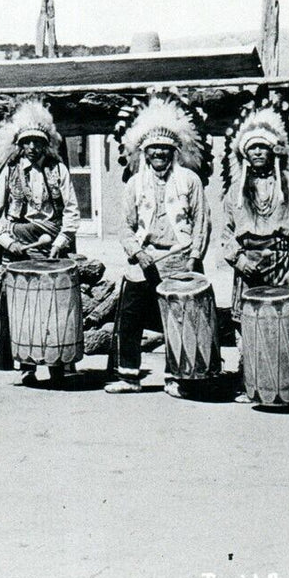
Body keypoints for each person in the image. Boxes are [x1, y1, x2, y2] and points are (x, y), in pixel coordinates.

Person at [106, 94, 212, 394]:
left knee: (178, 320)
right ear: (145, 153)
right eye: (153, 150)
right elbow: (125, 227)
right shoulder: (135, 184)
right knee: (129, 316)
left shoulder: (189, 180)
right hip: (145, 259)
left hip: (180, 259)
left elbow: (202, 221)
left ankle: (175, 377)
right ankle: (128, 377)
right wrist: (137, 252)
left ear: (174, 152)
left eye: (165, 150)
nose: (159, 155)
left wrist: (194, 259)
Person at [0, 98, 82, 384]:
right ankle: (26, 364)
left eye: (37, 142)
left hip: (52, 244)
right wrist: (8, 242)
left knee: (56, 303)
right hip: (17, 246)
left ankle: (58, 362)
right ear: (19, 144)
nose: (32, 148)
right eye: (26, 142)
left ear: (46, 144)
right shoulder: (10, 171)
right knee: (20, 305)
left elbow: (73, 210)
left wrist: (61, 240)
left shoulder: (58, 169)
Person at [221, 98, 289, 319]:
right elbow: (226, 234)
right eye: (252, 147)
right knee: (250, 327)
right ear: (245, 153)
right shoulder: (236, 190)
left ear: (273, 150)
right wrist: (239, 260)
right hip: (248, 266)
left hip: (284, 263)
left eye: (263, 146)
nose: (257, 152)